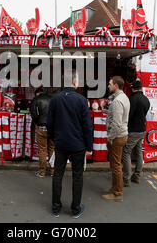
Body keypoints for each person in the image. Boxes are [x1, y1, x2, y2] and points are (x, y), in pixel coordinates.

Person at [47, 70, 93, 218]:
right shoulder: (81, 100)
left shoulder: (55, 99)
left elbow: (50, 123)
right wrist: (89, 147)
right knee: (77, 176)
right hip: (78, 145)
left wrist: (55, 138)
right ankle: (75, 208)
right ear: (74, 82)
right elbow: (87, 126)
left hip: (61, 143)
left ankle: (55, 207)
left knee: (58, 175)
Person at [102, 76, 130, 202]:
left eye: (110, 84)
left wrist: (110, 138)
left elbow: (117, 124)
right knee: (114, 164)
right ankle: (114, 188)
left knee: (116, 165)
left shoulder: (118, 101)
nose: (108, 86)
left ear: (116, 86)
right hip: (120, 135)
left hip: (117, 137)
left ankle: (118, 193)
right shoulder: (122, 97)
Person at [122, 80, 150, 186]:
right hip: (142, 129)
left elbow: (128, 116)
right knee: (138, 152)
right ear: (141, 88)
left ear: (133, 88)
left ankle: (126, 178)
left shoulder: (132, 99)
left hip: (133, 130)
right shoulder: (146, 99)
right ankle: (137, 176)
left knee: (126, 152)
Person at [31, 87, 54, 177]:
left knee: (42, 150)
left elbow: (34, 114)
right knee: (52, 149)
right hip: (52, 128)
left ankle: (42, 171)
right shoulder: (53, 99)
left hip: (41, 127)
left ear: (38, 93)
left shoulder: (36, 99)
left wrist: (38, 123)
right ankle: (53, 171)